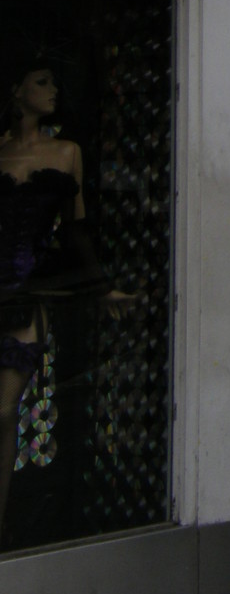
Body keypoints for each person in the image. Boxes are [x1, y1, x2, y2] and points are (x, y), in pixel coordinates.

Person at [0, 57, 133, 545]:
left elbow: (75, 229)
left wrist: (100, 287)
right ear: (16, 91)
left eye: (55, 79)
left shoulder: (66, 152)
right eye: (41, 81)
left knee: (4, 410)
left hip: (26, 295)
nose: (53, 89)